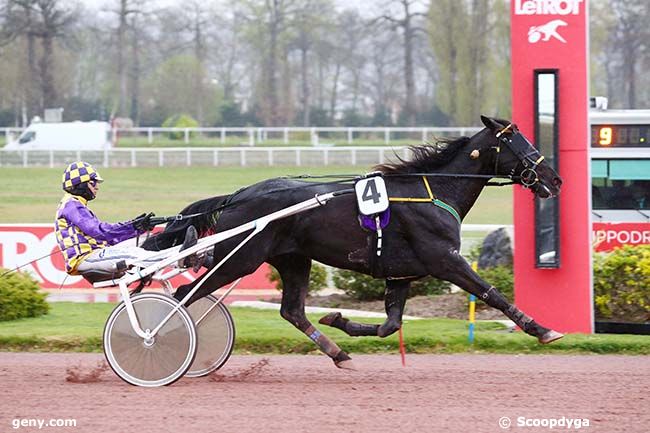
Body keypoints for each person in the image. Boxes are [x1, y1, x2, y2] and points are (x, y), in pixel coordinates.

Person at [55, 161, 198, 281]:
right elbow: (100, 232)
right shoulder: (71, 205)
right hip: (85, 259)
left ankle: (194, 256)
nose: (97, 186)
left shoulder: (75, 205)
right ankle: (180, 259)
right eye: (93, 183)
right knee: (133, 254)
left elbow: (107, 238)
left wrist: (138, 228)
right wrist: (133, 226)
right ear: (80, 185)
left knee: (144, 242)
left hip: (96, 252)